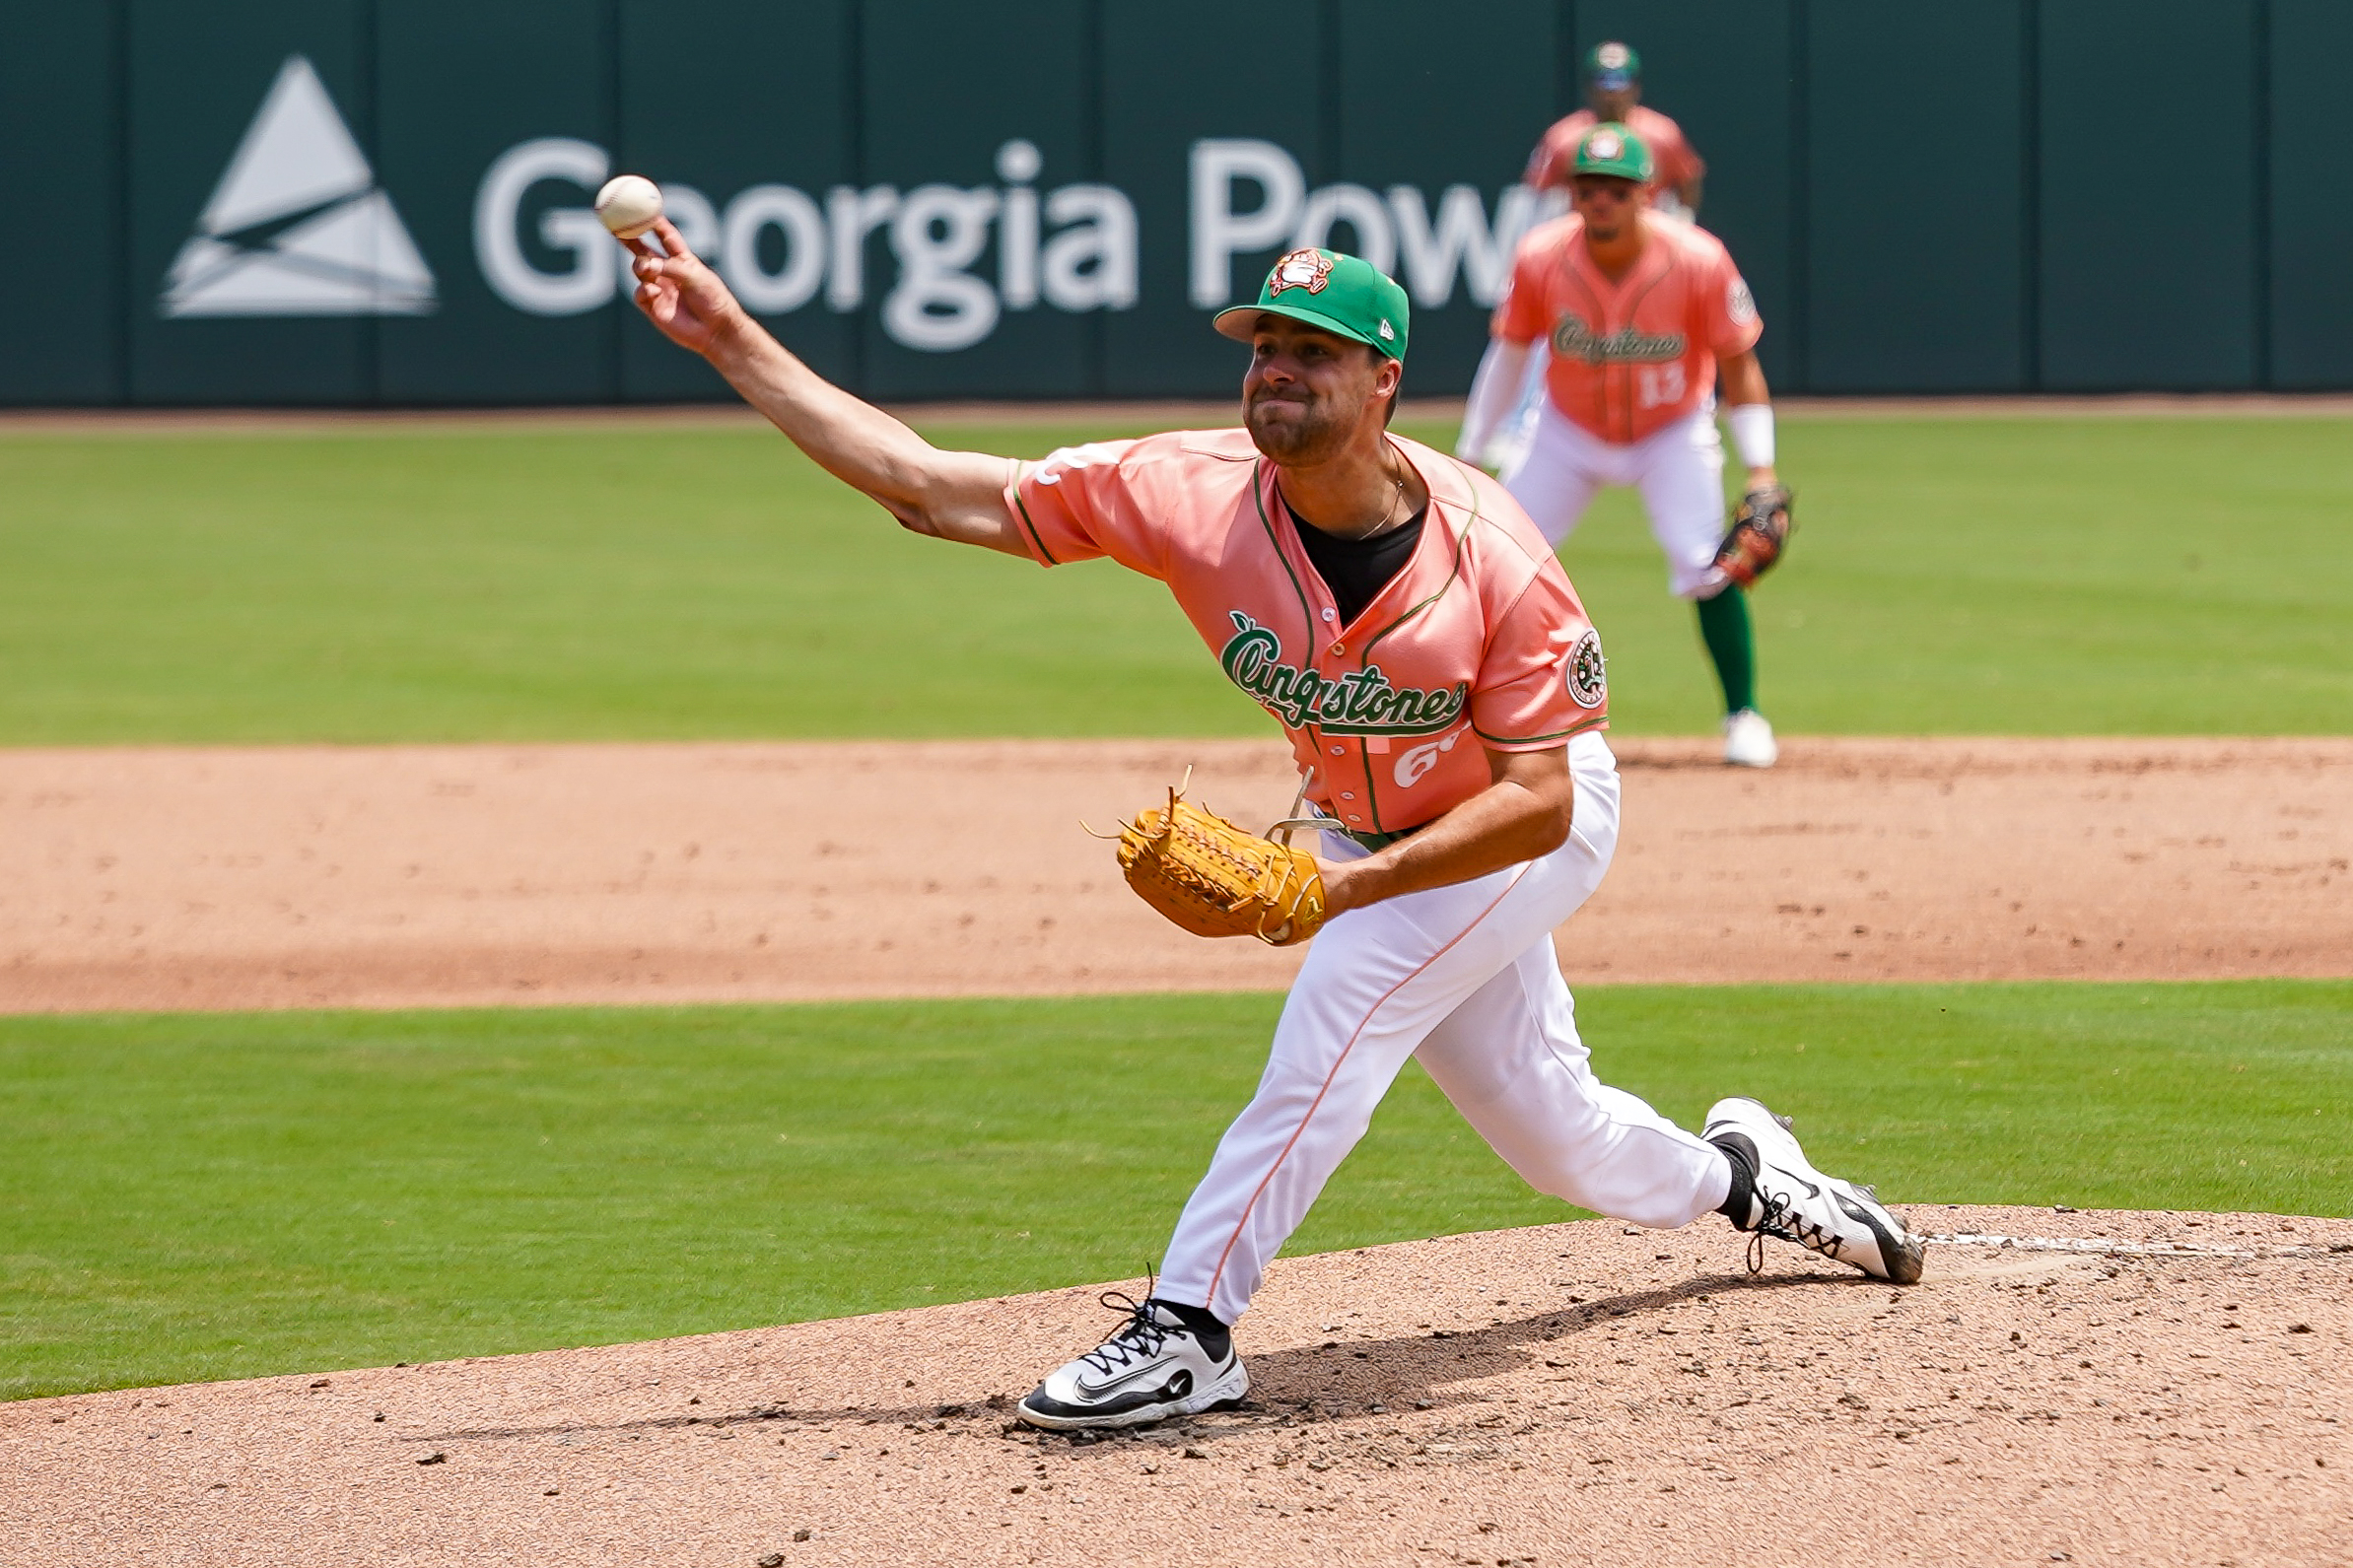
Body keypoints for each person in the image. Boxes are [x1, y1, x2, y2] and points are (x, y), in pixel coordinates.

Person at [619, 220, 1920, 1432]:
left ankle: (1189, 1325)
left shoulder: (1498, 561)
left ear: (1382, 382)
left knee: (1334, 1022)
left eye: (1312, 353)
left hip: (1517, 823)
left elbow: (1535, 799)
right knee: (1553, 1134)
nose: (1275, 372)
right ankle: (1747, 1176)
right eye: (1264, 347)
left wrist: (1340, 895)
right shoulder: (1181, 488)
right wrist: (728, 332)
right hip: (1364, 829)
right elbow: (926, 487)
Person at [1460, 124, 1785, 769]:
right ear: (1571, 194)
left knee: (1704, 566)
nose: (1600, 200)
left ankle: (1742, 715)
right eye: (1588, 188)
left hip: (1671, 429)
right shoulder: (1539, 256)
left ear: (1648, 194)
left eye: (1616, 189)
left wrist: (1760, 469)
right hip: (1565, 429)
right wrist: (1470, 459)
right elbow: (1508, 357)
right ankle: (1468, 722)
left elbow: (1738, 363)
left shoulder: (1697, 258)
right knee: (1493, 561)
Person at [1524, 41, 1705, 223]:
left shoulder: (1663, 133)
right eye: (1603, 80)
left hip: (1645, 235)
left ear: (1636, 87)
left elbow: (1688, 179)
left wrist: (1684, 221)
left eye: (1620, 80)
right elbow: (1536, 191)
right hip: (1584, 232)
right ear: (1589, 88)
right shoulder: (1562, 136)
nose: (1611, 92)